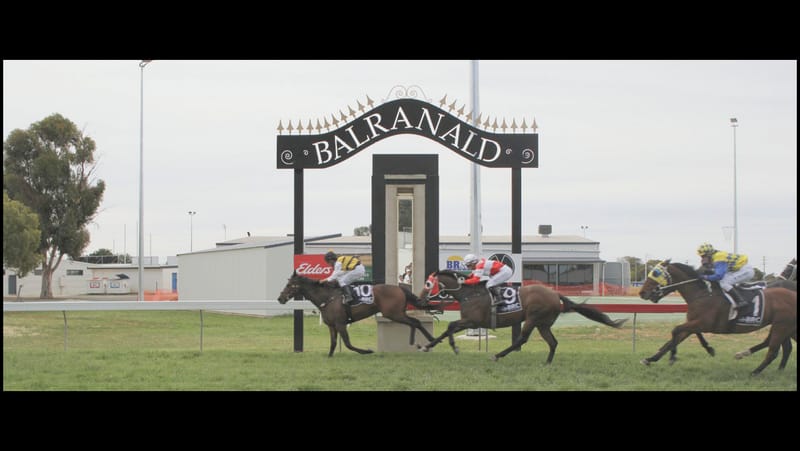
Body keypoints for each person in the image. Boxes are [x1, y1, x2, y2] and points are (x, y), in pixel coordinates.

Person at [696, 243, 754, 309]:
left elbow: (719, 276)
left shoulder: (719, 257)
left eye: (703, 256)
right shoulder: (714, 256)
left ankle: (741, 300)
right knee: (723, 280)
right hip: (738, 270)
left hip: (745, 270)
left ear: (709, 254)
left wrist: (705, 277)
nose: (702, 258)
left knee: (724, 282)